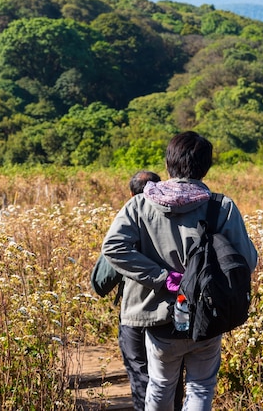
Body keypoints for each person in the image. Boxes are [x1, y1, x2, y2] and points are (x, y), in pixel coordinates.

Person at [101, 131, 258, 411]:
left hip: (157, 317)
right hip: (207, 315)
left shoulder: (139, 205)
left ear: (168, 163)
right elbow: (246, 261)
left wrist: (163, 278)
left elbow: (113, 249)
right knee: (200, 386)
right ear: (206, 166)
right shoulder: (221, 207)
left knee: (160, 384)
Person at [92, 170, 187, 411]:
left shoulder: (131, 217)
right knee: (171, 380)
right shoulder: (178, 216)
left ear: (132, 194)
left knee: (141, 379)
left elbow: (100, 282)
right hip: (175, 314)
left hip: (135, 316)